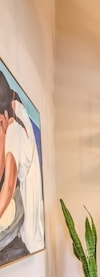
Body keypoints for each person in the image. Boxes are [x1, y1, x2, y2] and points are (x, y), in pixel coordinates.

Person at [0, 70, 44, 254]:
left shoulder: (12, 133)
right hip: (36, 219)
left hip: (29, 231)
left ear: (2, 118)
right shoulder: (18, 108)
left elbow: (9, 187)